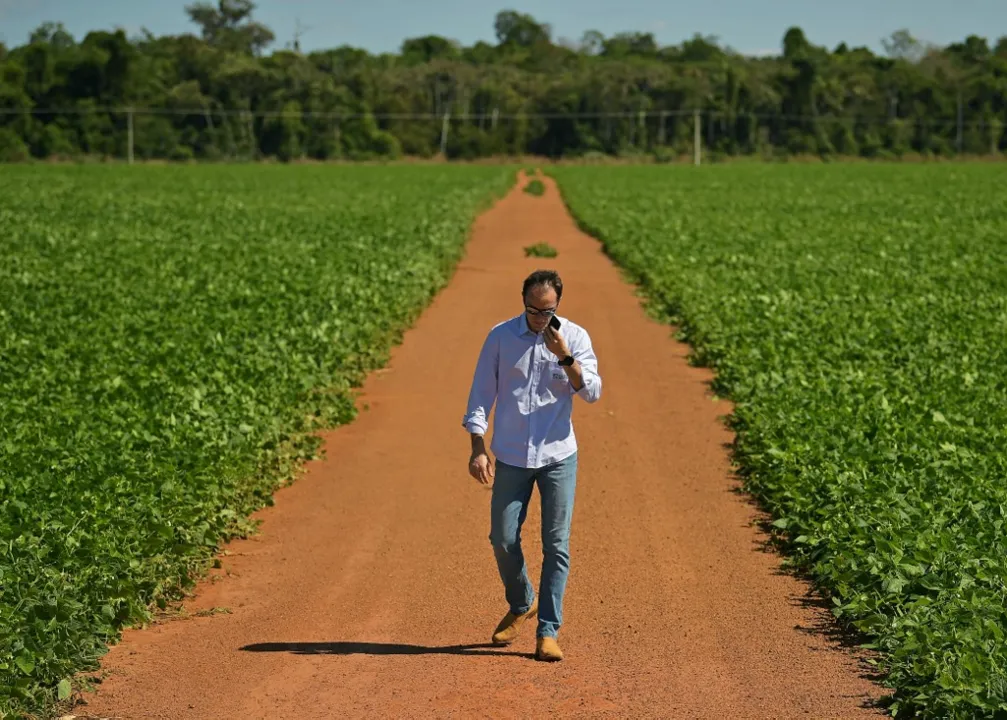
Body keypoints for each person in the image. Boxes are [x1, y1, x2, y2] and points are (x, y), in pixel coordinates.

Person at [461, 269, 602, 662]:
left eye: (549, 311)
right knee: (502, 538)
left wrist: (564, 355)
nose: (542, 319)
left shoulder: (573, 336)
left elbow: (591, 391)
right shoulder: (501, 338)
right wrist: (477, 446)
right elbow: (480, 394)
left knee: (557, 545)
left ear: (558, 304)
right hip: (511, 455)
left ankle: (548, 631)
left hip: (559, 455)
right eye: (534, 311)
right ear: (523, 302)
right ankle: (523, 600)